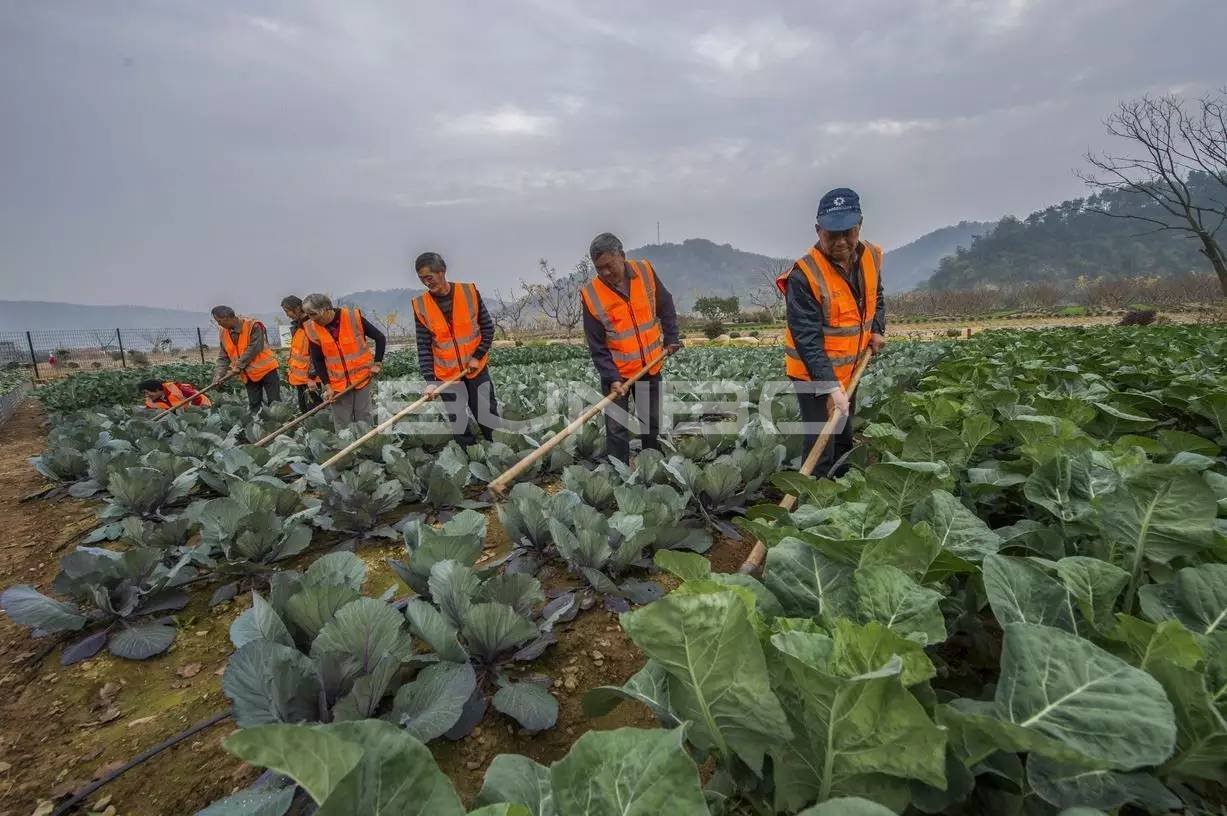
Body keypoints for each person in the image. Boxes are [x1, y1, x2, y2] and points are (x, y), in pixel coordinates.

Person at [779, 187, 886, 478]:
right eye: (831, 234)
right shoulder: (804, 275)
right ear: (817, 231)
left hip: (850, 365)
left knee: (842, 435)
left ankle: (840, 492)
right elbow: (806, 337)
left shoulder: (871, 257)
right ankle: (810, 506)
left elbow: (877, 296)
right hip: (812, 373)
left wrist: (876, 329)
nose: (841, 242)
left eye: (847, 232)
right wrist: (829, 385)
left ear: (859, 225)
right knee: (820, 441)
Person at [581, 232, 682, 464]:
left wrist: (672, 337)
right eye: (599, 269)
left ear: (622, 256)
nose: (605, 273)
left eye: (609, 265)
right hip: (617, 373)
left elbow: (665, 305)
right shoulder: (591, 295)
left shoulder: (644, 272)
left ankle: (652, 465)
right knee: (616, 427)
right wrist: (611, 377)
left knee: (651, 421)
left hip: (650, 365)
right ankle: (619, 470)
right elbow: (596, 345)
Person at [413, 252, 500, 446]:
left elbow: (487, 327)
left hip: (475, 369)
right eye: (422, 279)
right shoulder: (420, 305)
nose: (427, 283)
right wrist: (430, 381)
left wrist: (477, 355)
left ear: (442, 271)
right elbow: (424, 346)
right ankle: (468, 459)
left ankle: (500, 454)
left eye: (429, 277)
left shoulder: (468, 292)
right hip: (446, 374)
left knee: (487, 415)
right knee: (458, 422)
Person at [301, 293, 385, 427]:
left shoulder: (352, 317)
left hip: (361, 377)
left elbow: (380, 338)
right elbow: (318, 359)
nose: (310, 318)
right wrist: (327, 386)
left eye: (313, 314)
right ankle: (346, 447)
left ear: (326, 309)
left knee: (364, 417)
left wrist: (377, 363)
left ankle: (368, 446)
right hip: (336, 384)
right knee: (342, 422)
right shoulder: (311, 328)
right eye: (308, 315)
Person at [211, 305, 282, 412]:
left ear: (226, 317)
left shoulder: (253, 325)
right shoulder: (223, 332)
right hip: (248, 374)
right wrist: (218, 375)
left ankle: (280, 425)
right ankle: (259, 427)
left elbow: (255, 347)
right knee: (254, 405)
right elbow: (223, 357)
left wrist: (239, 365)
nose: (218, 324)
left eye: (219, 321)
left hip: (267, 370)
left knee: (275, 403)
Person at [281, 295, 325, 413]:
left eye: (288, 311)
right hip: (301, 379)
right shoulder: (298, 326)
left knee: (315, 413)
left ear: (297, 308)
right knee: (305, 410)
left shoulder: (311, 325)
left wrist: (311, 377)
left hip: (312, 380)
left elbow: (315, 354)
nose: (287, 315)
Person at [138, 378, 211, 410]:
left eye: (146, 392)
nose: (146, 396)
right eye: (144, 393)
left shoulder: (176, 388)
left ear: (156, 389)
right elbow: (149, 412)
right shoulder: (150, 401)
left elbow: (197, 397)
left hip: (203, 406)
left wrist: (192, 411)